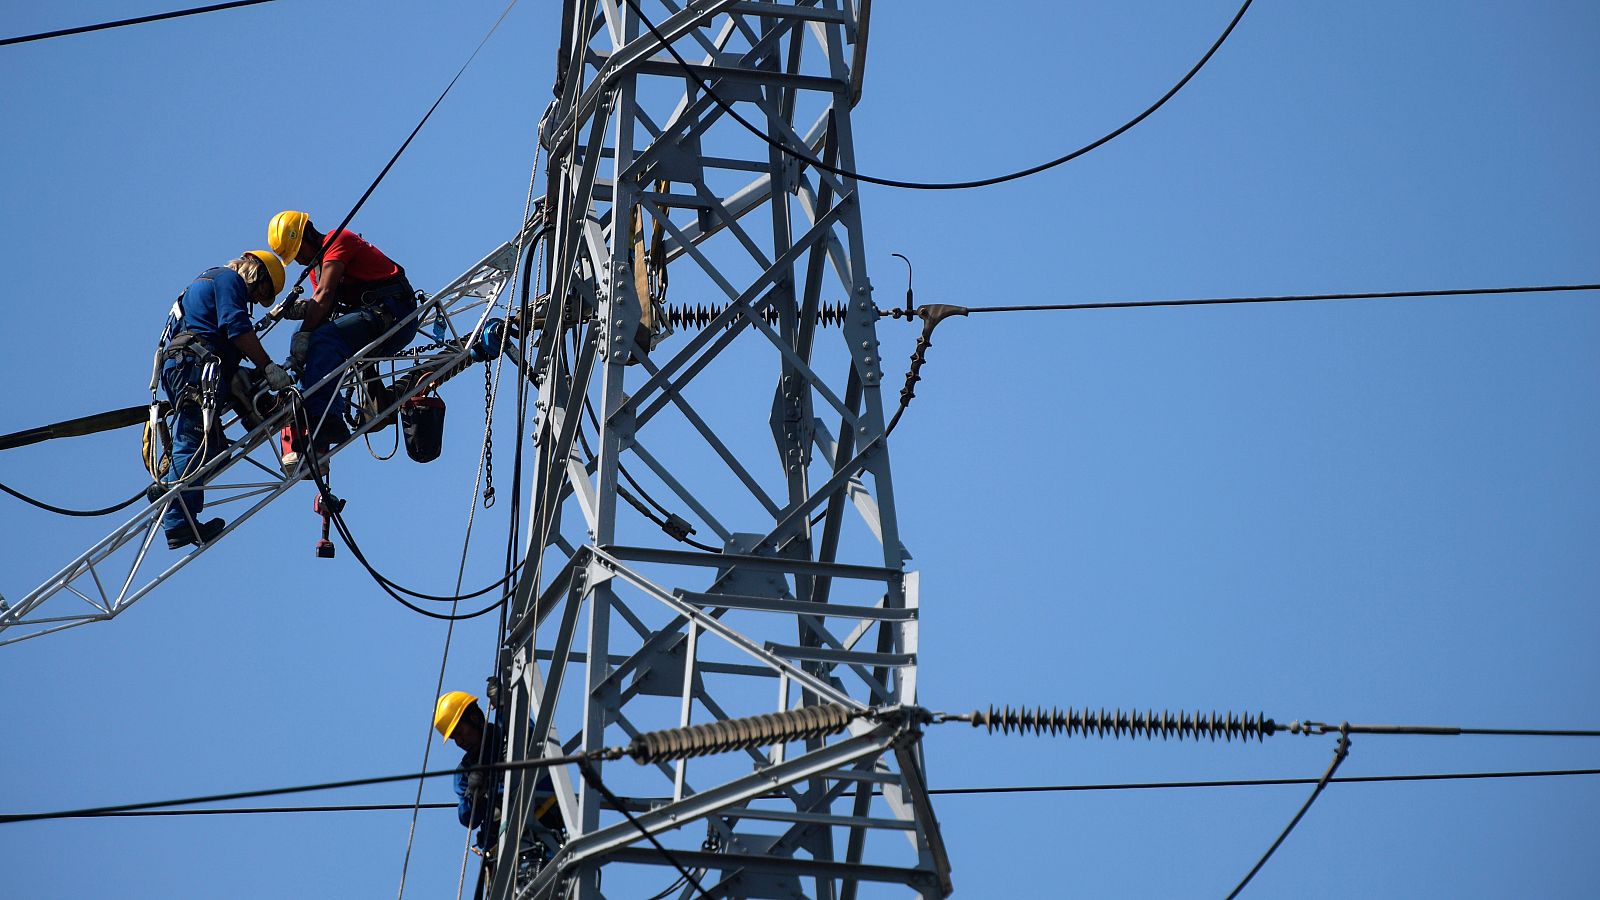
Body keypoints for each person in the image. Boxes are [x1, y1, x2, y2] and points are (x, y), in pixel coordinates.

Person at [158, 251, 293, 548]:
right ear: (256, 273)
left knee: (216, 448)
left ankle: (168, 485)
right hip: (196, 366)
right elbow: (236, 326)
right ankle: (179, 522)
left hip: (186, 365)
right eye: (260, 292)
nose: (255, 301)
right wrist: (266, 366)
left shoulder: (206, 282)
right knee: (193, 443)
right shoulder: (229, 279)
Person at [267, 211, 418, 458]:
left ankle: (328, 420)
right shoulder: (317, 270)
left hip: (394, 313)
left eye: (297, 253)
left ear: (307, 235)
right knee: (309, 336)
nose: (299, 261)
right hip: (370, 320)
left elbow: (325, 297)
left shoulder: (339, 240)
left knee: (322, 338)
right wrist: (298, 343)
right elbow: (321, 307)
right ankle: (310, 415)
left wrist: (306, 330)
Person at [433, 691, 563, 864]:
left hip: (543, 821)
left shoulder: (506, 734)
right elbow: (467, 818)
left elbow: (529, 735)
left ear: (474, 718)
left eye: (460, 731)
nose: (460, 741)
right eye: (454, 738)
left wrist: (504, 706)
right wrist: (474, 794)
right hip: (503, 849)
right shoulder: (465, 772)